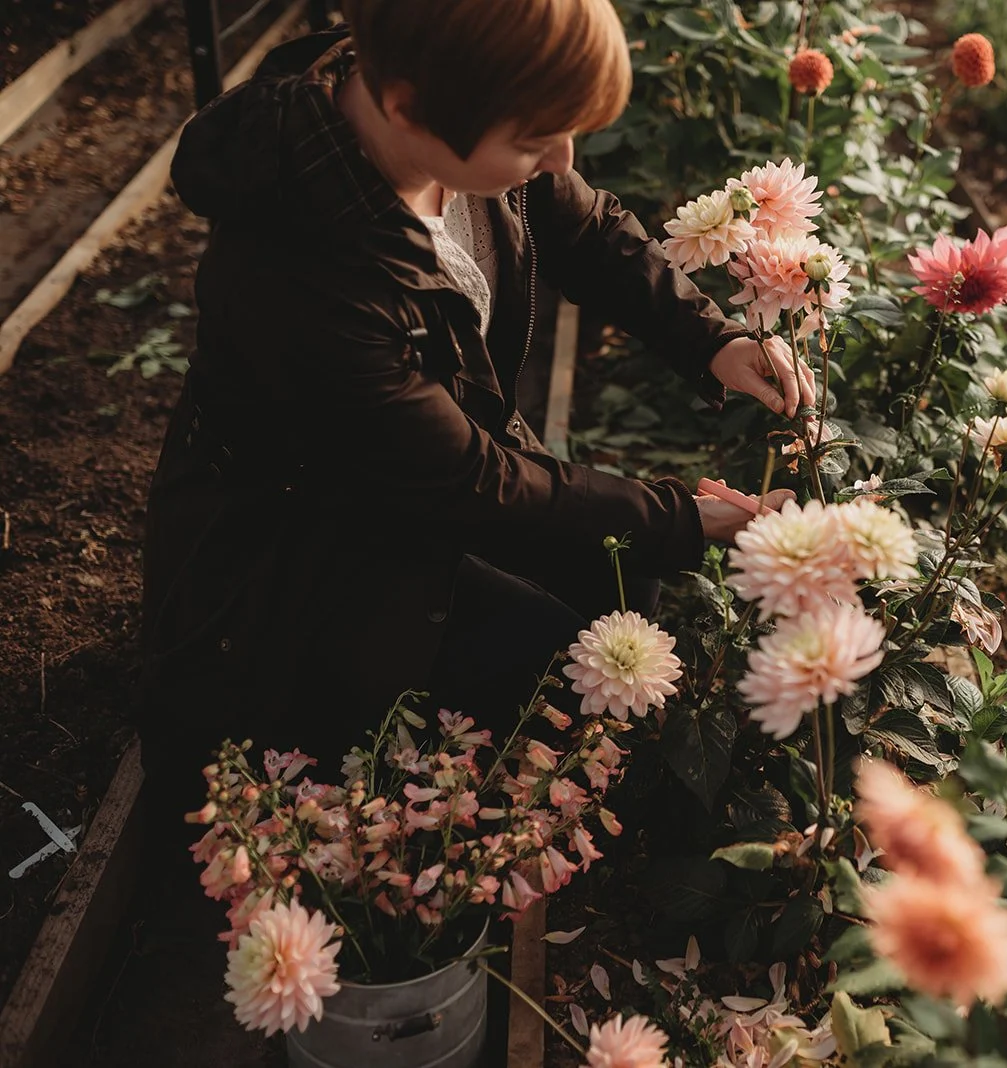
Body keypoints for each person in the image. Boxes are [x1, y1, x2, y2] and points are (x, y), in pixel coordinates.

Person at [137, 0, 806, 823]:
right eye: (535, 140)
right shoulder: (305, 280)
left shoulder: (451, 103)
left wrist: (712, 339)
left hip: (420, 476)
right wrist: (682, 516)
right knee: (562, 668)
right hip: (304, 551)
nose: (560, 157)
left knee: (619, 595)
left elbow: (585, 226)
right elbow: (469, 481)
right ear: (408, 108)